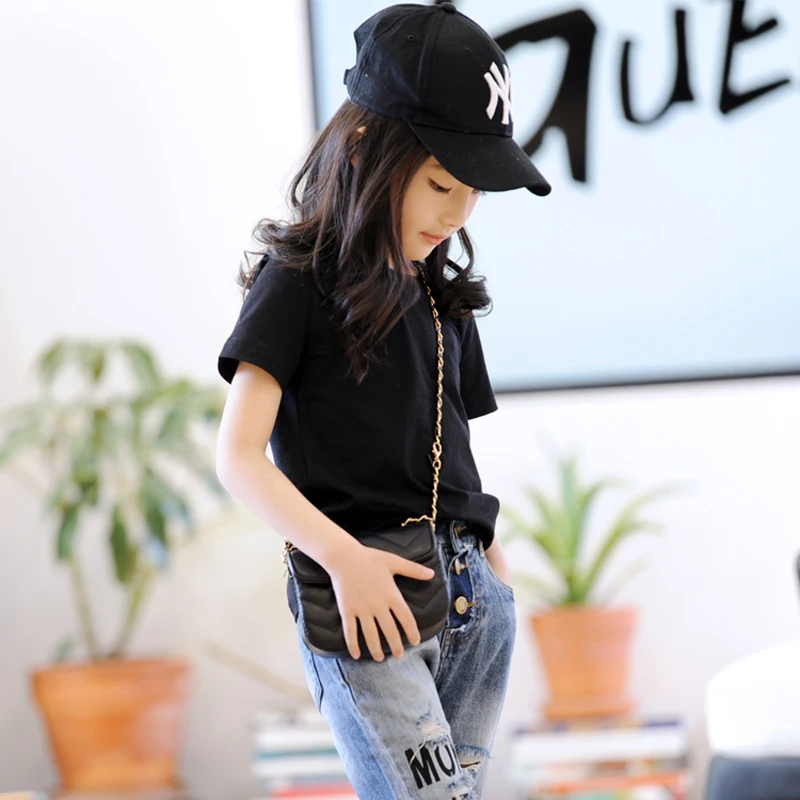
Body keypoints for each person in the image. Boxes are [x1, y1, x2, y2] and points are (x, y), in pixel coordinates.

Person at [215, 3, 551, 798]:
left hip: (473, 598)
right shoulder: (296, 283)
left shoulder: (443, 299)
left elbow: (453, 453)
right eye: (440, 183)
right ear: (365, 146)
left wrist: (491, 565)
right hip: (369, 600)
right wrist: (341, 559)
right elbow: (237, 458)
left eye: (473, 191)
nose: (457, 213)